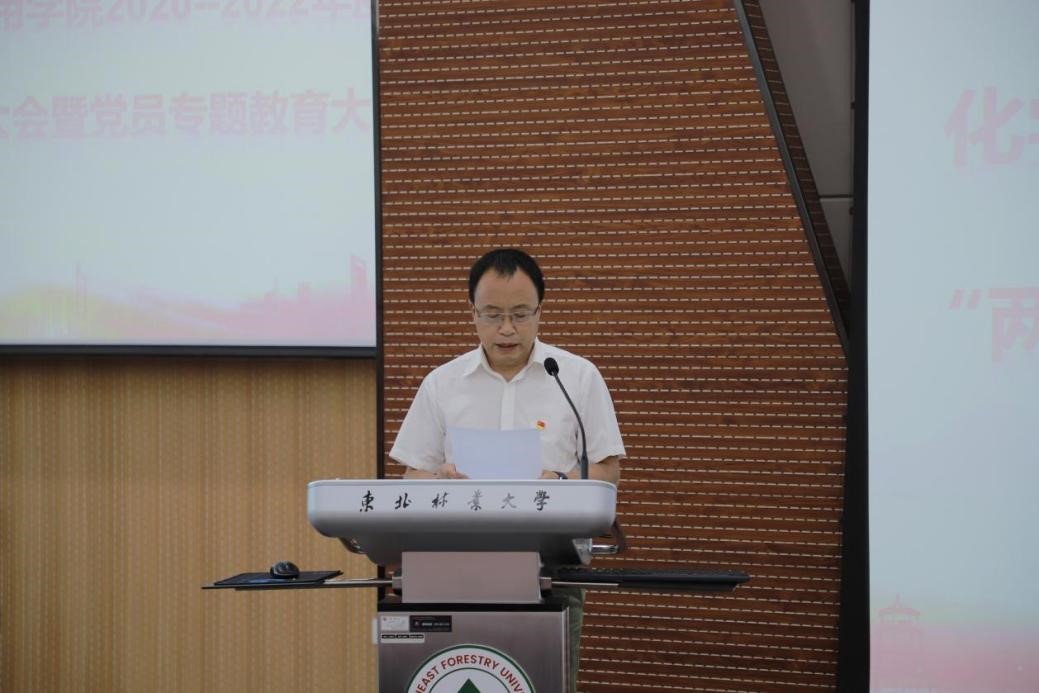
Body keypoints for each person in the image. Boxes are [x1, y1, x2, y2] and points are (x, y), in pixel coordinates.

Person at [388, 247, 626, 689]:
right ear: (473, 314)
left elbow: (607, 471)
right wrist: (439, 480)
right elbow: (412, 475)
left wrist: (561, 482)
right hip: (454, 568)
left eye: (520, 314)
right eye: (493, 314)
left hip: (553, 572)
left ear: (540, 312)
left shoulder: (575, 377)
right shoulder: (442, 383)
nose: (507, 329)